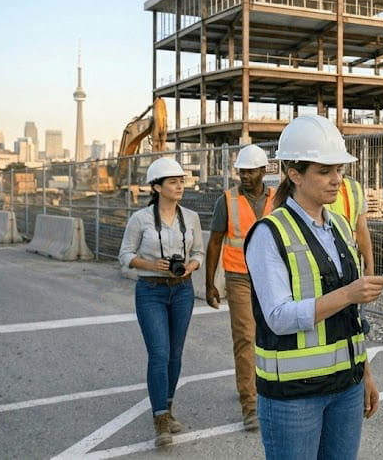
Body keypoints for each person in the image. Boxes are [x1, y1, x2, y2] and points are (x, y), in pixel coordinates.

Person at [244, 114, 383, 460]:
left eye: (339, 170)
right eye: (324, 172)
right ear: (294, 174)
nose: (336, 180)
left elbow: (351, 318)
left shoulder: (339, 225)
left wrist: (364, 372)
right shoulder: (269, 233)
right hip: (294, 396)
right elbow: (278, 317)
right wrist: (349, 293)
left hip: (346, 387)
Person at [118, 157, 205, 448]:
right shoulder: (140, 219)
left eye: (182, 181)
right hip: (150, 290)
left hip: (182, 290)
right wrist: (153, 265)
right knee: (159, 353)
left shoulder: (190, 217)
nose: (180, 186)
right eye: (173, 182)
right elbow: (125, 256)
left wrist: (191, 266)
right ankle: (160, 422)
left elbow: (199, 254)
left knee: (175, 354)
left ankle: (168, 407)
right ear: (157, 187)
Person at [205, 143, 275, 431]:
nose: (244, 176)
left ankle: (271, 391)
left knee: (272, 335)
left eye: (250, 171)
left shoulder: (278, 198)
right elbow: (215, 241)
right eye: (241, 172)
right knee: (246, 337)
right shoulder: (227, 201)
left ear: (263, 171)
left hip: (271, 277)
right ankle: (250, 404)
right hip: (239, 277)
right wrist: (210, 283)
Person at [327, 175, 374, 275]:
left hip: (349, 257)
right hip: (325, 257)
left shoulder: (354, 186)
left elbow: (361, 229)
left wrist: (369, 265)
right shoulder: (312, 186)